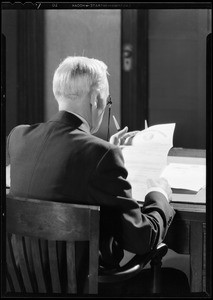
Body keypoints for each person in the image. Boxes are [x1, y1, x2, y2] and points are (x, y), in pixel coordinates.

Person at [6, 56, 189, 296]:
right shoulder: (102, 154)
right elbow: (141, 239)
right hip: (87, 286)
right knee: (177, 279)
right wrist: (160, 194)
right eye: (107, 99)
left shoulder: (19, 137)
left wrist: (105, 149)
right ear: (95, 99)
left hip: (24, 283)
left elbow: (64, 169)